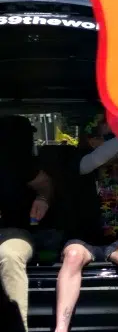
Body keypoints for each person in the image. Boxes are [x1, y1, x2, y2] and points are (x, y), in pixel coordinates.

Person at [55, 120, 118, 332]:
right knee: (72, 256)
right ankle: (61, 329)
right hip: (83, 238)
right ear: (88, 139)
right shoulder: (78, 160)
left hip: (116, 238)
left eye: (108, 137)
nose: (105, 143)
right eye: (100, 137)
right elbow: (96, 158)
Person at [0, 115, 54, 331]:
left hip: (12, 231)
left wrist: (43, 199)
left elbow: (45, 184)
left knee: (9, 255)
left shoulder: (19, 163)